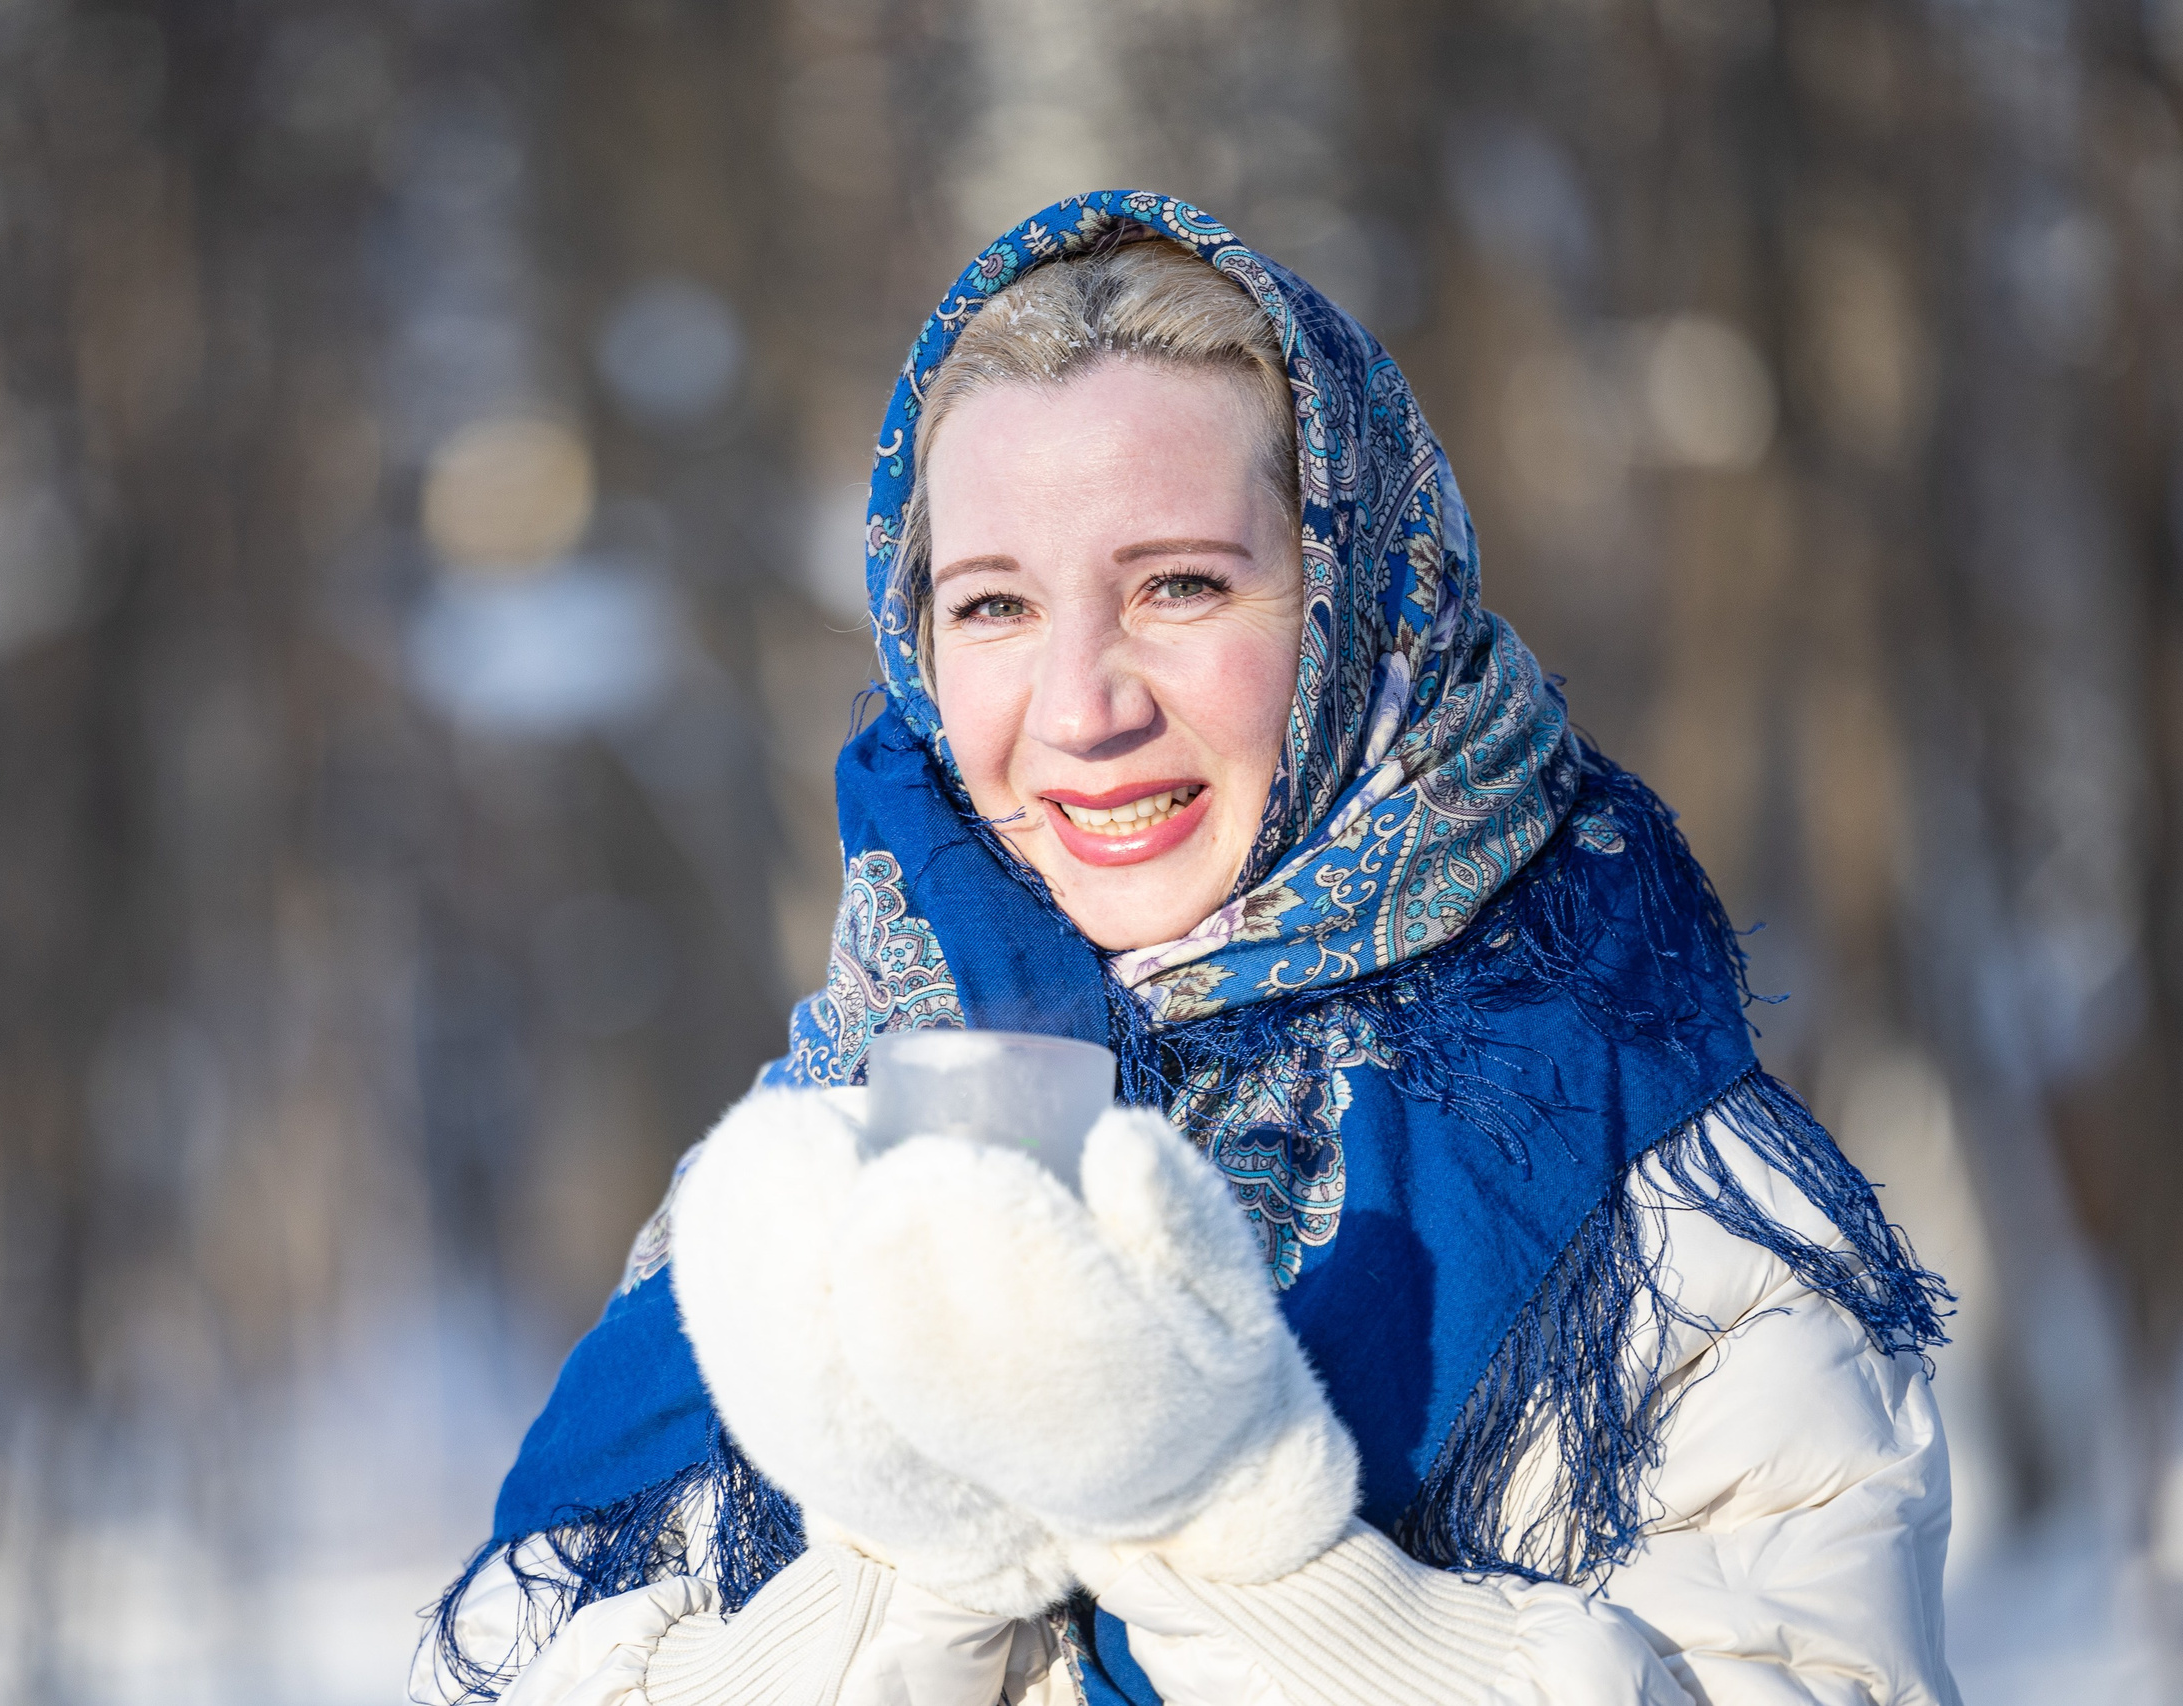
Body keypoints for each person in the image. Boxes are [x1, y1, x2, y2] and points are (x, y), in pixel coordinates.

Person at [419, 192, 1960, 1706]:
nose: (1083, 707)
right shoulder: (816, 1162)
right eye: (998, 604)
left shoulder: (1663, 1179)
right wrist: (932, 1551)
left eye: (1179, 586)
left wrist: (1227, 1525)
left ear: (1360, 601)